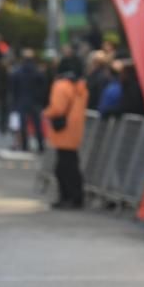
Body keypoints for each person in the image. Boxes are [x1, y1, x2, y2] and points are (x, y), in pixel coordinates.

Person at [44, 54, 89, 209]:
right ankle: (77, 197)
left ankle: (67, 197)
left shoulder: (61, 86)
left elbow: (57, 108)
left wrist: (47, 113)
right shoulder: (81, 86)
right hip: (76, 129)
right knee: (73, 165)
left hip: (62, 130)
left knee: (62, 168)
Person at [10, 48, 47, 152]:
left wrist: (15, 102)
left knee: (23, 125)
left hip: (22, 101)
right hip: (35, 102)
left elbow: (13, 88)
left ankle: (25, 146)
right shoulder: (37, 71)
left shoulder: (18, 71)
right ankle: (40, 145)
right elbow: (43, 86)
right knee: (37, 125)